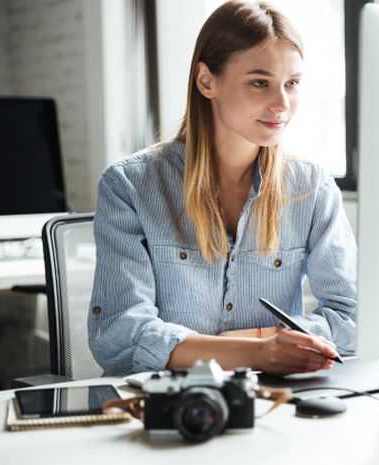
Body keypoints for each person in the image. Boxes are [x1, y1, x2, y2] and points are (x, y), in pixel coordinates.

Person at [87, 0, 356, 377]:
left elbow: (351, 318)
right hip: (164, 404)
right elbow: (119, 335)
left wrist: (261, 344)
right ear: (206, 81)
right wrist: (259, 352)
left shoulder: (312, 188)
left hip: (272, 402)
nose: (282, 104)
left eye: (292, 84)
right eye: (260, 83)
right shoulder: (129, 185)